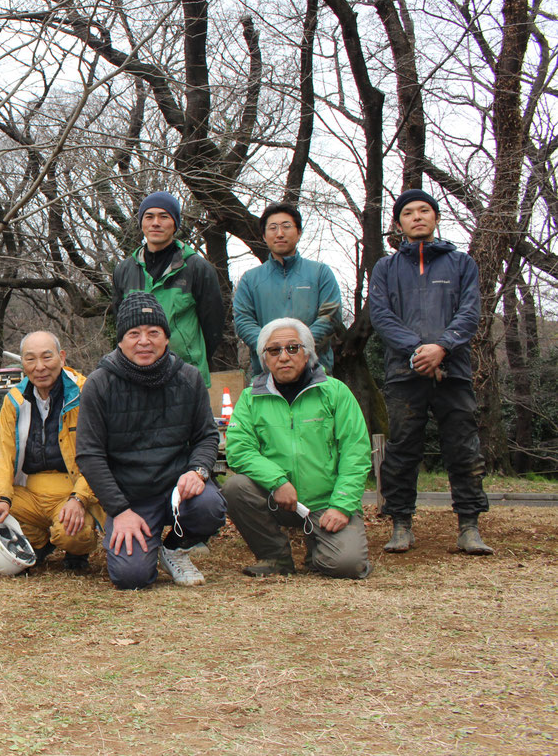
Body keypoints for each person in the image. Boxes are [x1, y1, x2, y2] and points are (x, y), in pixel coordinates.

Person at [370, 189, 491, 555]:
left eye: (425, 210)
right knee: (403, 448)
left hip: (453, 371)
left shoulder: (461, 263)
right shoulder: (386, 268)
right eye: (409, 212)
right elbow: (381, 316)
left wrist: (442, 347)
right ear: (399, 222)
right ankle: (401, 524)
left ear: (436, 218)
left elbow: (469, 312)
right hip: (404, 375)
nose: (418, 216)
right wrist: (418, 351)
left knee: (463, 448)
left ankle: (469, 526)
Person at [76, 292, 226, 588]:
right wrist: (119, 511)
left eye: (153, 333)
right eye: (134, 333)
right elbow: (89, 455)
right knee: (131, 578)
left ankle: (175, 549)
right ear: (120, 341)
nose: (144, 341)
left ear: (166, 338)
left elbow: (207, 435)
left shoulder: (189, 378)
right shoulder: (99, 384)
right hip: (129, 497)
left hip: (177, 488)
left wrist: (199, 471)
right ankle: (142, 543)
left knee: (211, 506)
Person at [223, 318, 371, 578]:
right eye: (274, 350)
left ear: (308, 353)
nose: (284, 356)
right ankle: (275, 558)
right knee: (235, 488)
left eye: (293, 348)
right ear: (264, 359)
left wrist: (342, 504)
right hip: (277, 498)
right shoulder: (249, 399)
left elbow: (355, 453)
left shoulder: (336, 393)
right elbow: (239, 450)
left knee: (345, 566)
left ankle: (319, 545)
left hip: (327, 502)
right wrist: (277, 481)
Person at [0, 331, 101, 571]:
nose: (39, 367)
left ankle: (75, 551)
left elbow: (99, 455)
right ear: (22, 363)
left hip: (71, 490)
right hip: (30, 492)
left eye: (47, 357)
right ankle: (39, 543)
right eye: (30, 359)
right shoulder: (15, 400)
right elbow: (3, 457)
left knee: (71, 532)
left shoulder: (86, 392)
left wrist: (79, 498)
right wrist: (2, 498)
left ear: (61, 357)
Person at [108, 191, 224, 386]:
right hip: (137, 375)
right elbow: (120, 325)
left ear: (175, 223)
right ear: (142, 223)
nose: (156, 223)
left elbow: (213, 326)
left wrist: (192, 355)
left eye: (164, 216)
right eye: (149, 216)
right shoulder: (124, 270)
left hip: (187, 376)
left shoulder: (197, 268)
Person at [233, 202, 343, 378]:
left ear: (299, 232)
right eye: (273, 228)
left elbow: (330, 316)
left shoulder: (320, 273)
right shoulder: (250, 279)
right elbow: (243, 322)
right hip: (266, 374)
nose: (280, 234)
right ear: (264, 235)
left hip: (315, 371)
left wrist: (299, 349)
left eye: (286, 226)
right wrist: (272, 350)